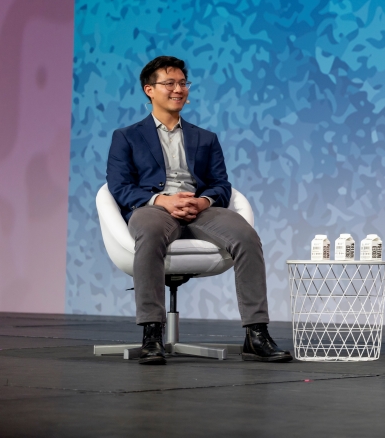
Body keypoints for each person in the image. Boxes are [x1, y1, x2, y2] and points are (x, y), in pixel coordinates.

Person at [107, 56, 292, 365]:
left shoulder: (205, 138)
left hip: (199, 208)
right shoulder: (126, 137)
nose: (178, 89)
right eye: (169, 83)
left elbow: (222, 184)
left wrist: (203, 201)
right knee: (150, 233)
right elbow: (119, 186)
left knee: (246, 236)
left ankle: (256, 334)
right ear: (149, 90)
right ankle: (152, 334)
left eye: (183, 83)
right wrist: (161, 200)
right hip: (154, 209)